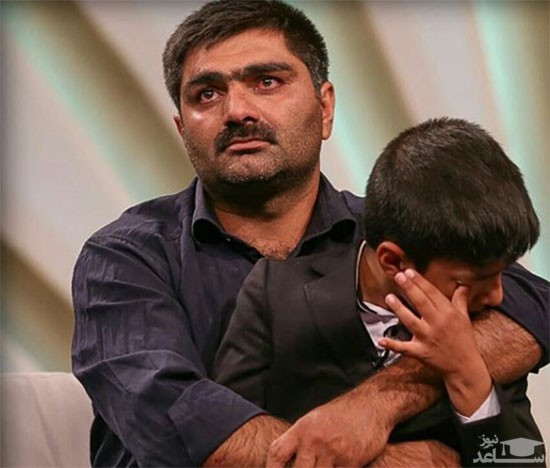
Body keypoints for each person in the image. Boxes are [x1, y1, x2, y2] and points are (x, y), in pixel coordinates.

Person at [71, 1, 549, 466]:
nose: (237, 110)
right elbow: (182, 426)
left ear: (325, 107)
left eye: (267, 81)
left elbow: (534, 309)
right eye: (207, 94)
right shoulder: (125, 258)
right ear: (181, 128)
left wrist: (376, 403)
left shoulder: (407, 231)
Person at [213, 117, 547, 467]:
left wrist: (468, 375)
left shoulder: (484, 324)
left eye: (502, 273)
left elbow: (523, 460)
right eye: (471, 280)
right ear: (394, 261)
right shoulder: (275, 293)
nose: (497, 296)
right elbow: (229, 440)